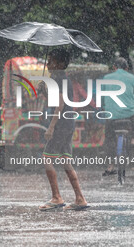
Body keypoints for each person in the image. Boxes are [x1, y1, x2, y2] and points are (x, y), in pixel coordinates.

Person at [38, 49, 89, 211]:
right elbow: (56, 100)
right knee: (66, 161)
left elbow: (59, 105)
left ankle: (56, 197)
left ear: (60, 64)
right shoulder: (61, 79)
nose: (48, 64)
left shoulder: (58, 79)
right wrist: (44, 90)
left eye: (51, 61)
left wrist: (51, 127)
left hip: (60, 124)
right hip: (68, 123)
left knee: (47, 157)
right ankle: (80, 198)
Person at [102, 57, 134, 176]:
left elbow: (102, 98)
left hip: (112, 115)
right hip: (129, 114)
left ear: (114, 67)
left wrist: (105, 107)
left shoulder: (106, 78)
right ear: (127, 68)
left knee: (109, 137)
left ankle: (110, 166)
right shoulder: (133, 78)